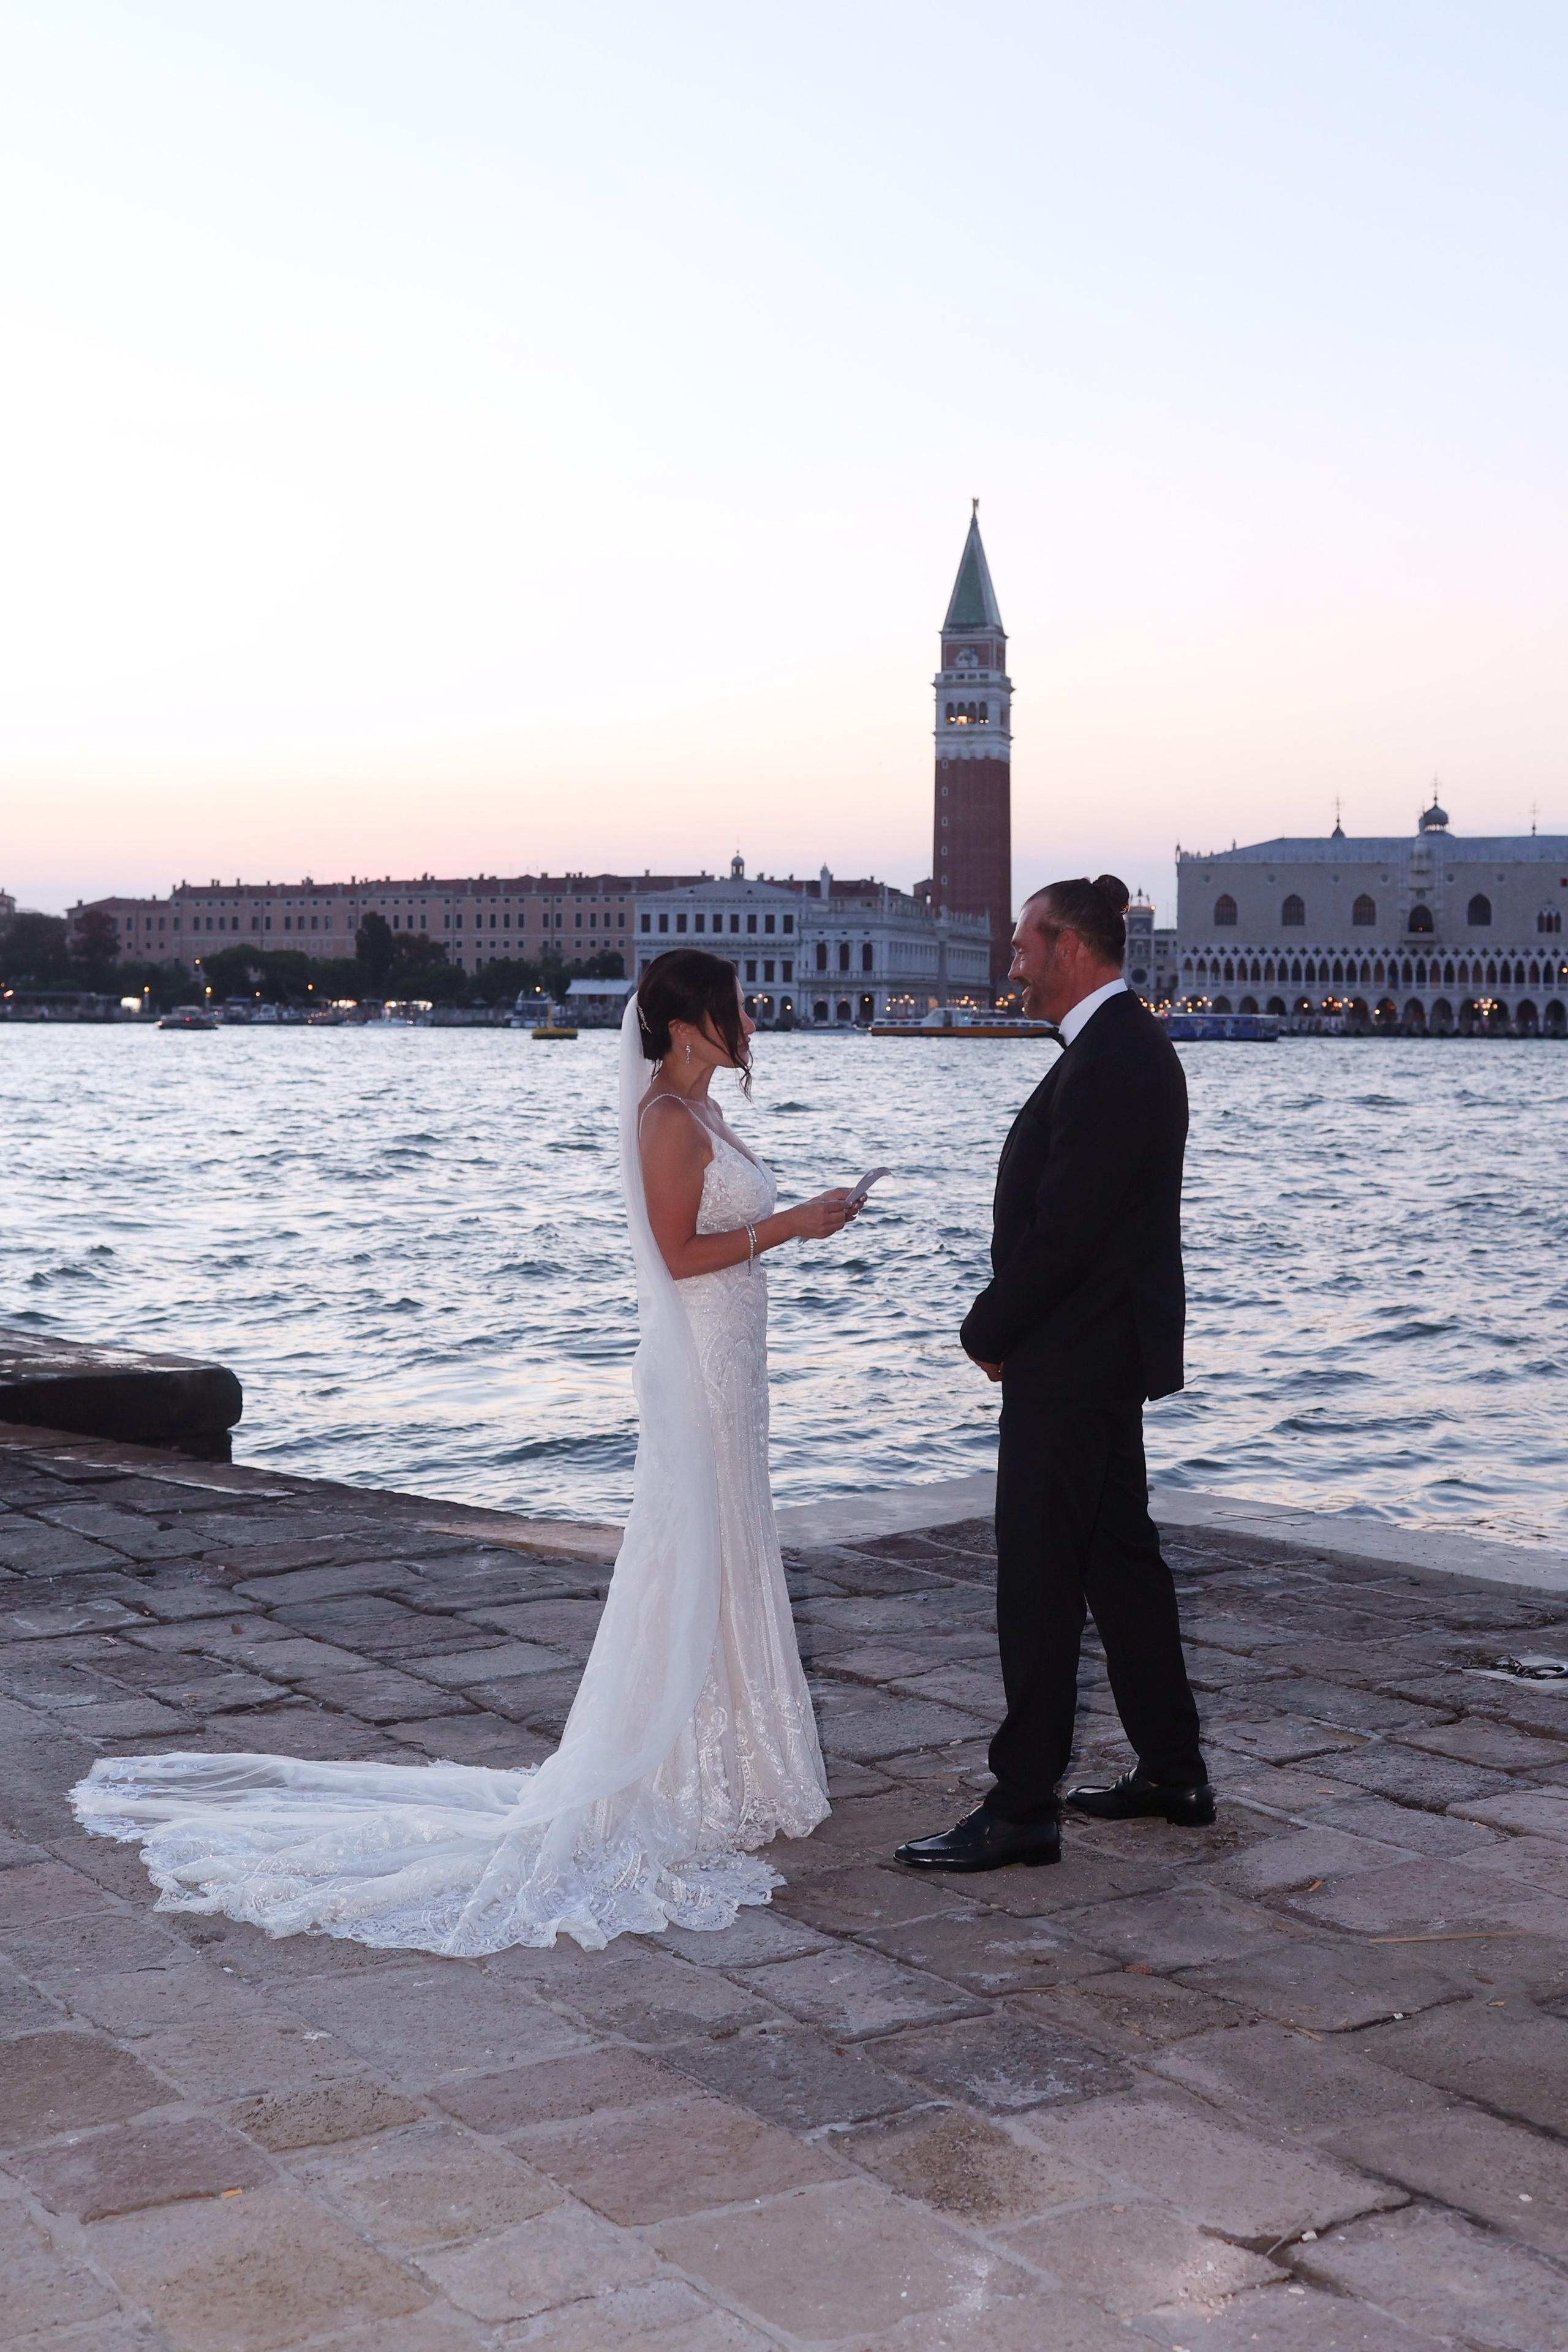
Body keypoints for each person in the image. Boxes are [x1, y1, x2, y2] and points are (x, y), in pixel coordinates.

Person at [72, 949, 856, 1953]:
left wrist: (801, 1224)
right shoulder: (665, 1118)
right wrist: (795, 1225)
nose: (751, 1017)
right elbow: (674, 1256)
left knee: (736, 1537)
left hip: (733, 1358)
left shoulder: (704, 1111)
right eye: (735, 1005)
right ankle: (674, 1766)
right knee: (689, 1545)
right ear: (693, 1022)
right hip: (696, 1361)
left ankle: (741, 1759)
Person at [897, 875, 1212, 1874]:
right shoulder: (1117, 1048)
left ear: (1070, 946)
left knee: (1039, 1574)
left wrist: (987, 1326)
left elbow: (1068, 1226)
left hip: (1073, 1354)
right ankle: (1171, 1768)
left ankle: (1023, 1803)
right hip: (1098, 1349)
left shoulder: (1113, 1056)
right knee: (1121, 1565)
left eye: (1025, 945)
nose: (1013, 964)